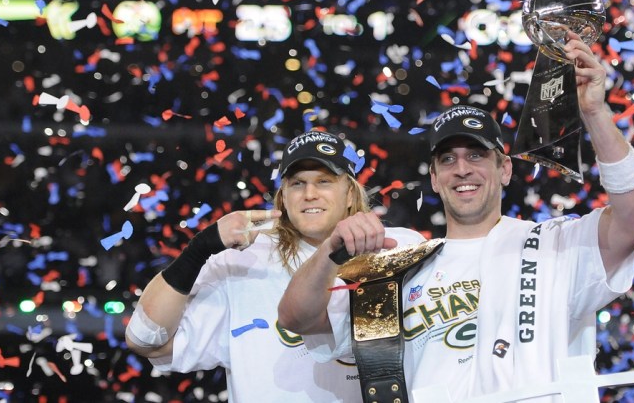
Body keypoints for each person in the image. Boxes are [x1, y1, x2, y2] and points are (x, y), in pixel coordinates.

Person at [278, 31, 634, 401]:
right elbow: (298, 318)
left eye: (476, 155)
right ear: (435, 179)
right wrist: (331, 251)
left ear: (504, 169)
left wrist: (594, 111)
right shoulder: (397, 269)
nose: (462, 169)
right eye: (448, 159)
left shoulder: (556, 246)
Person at [125, 130, 425, 402]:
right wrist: (198, 249)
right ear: (283, 197)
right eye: (297, 183)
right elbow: (146, 340)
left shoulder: (398, 249)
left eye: (324, 181)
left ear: (350, 194)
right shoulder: (245, 259)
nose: (310, 194)